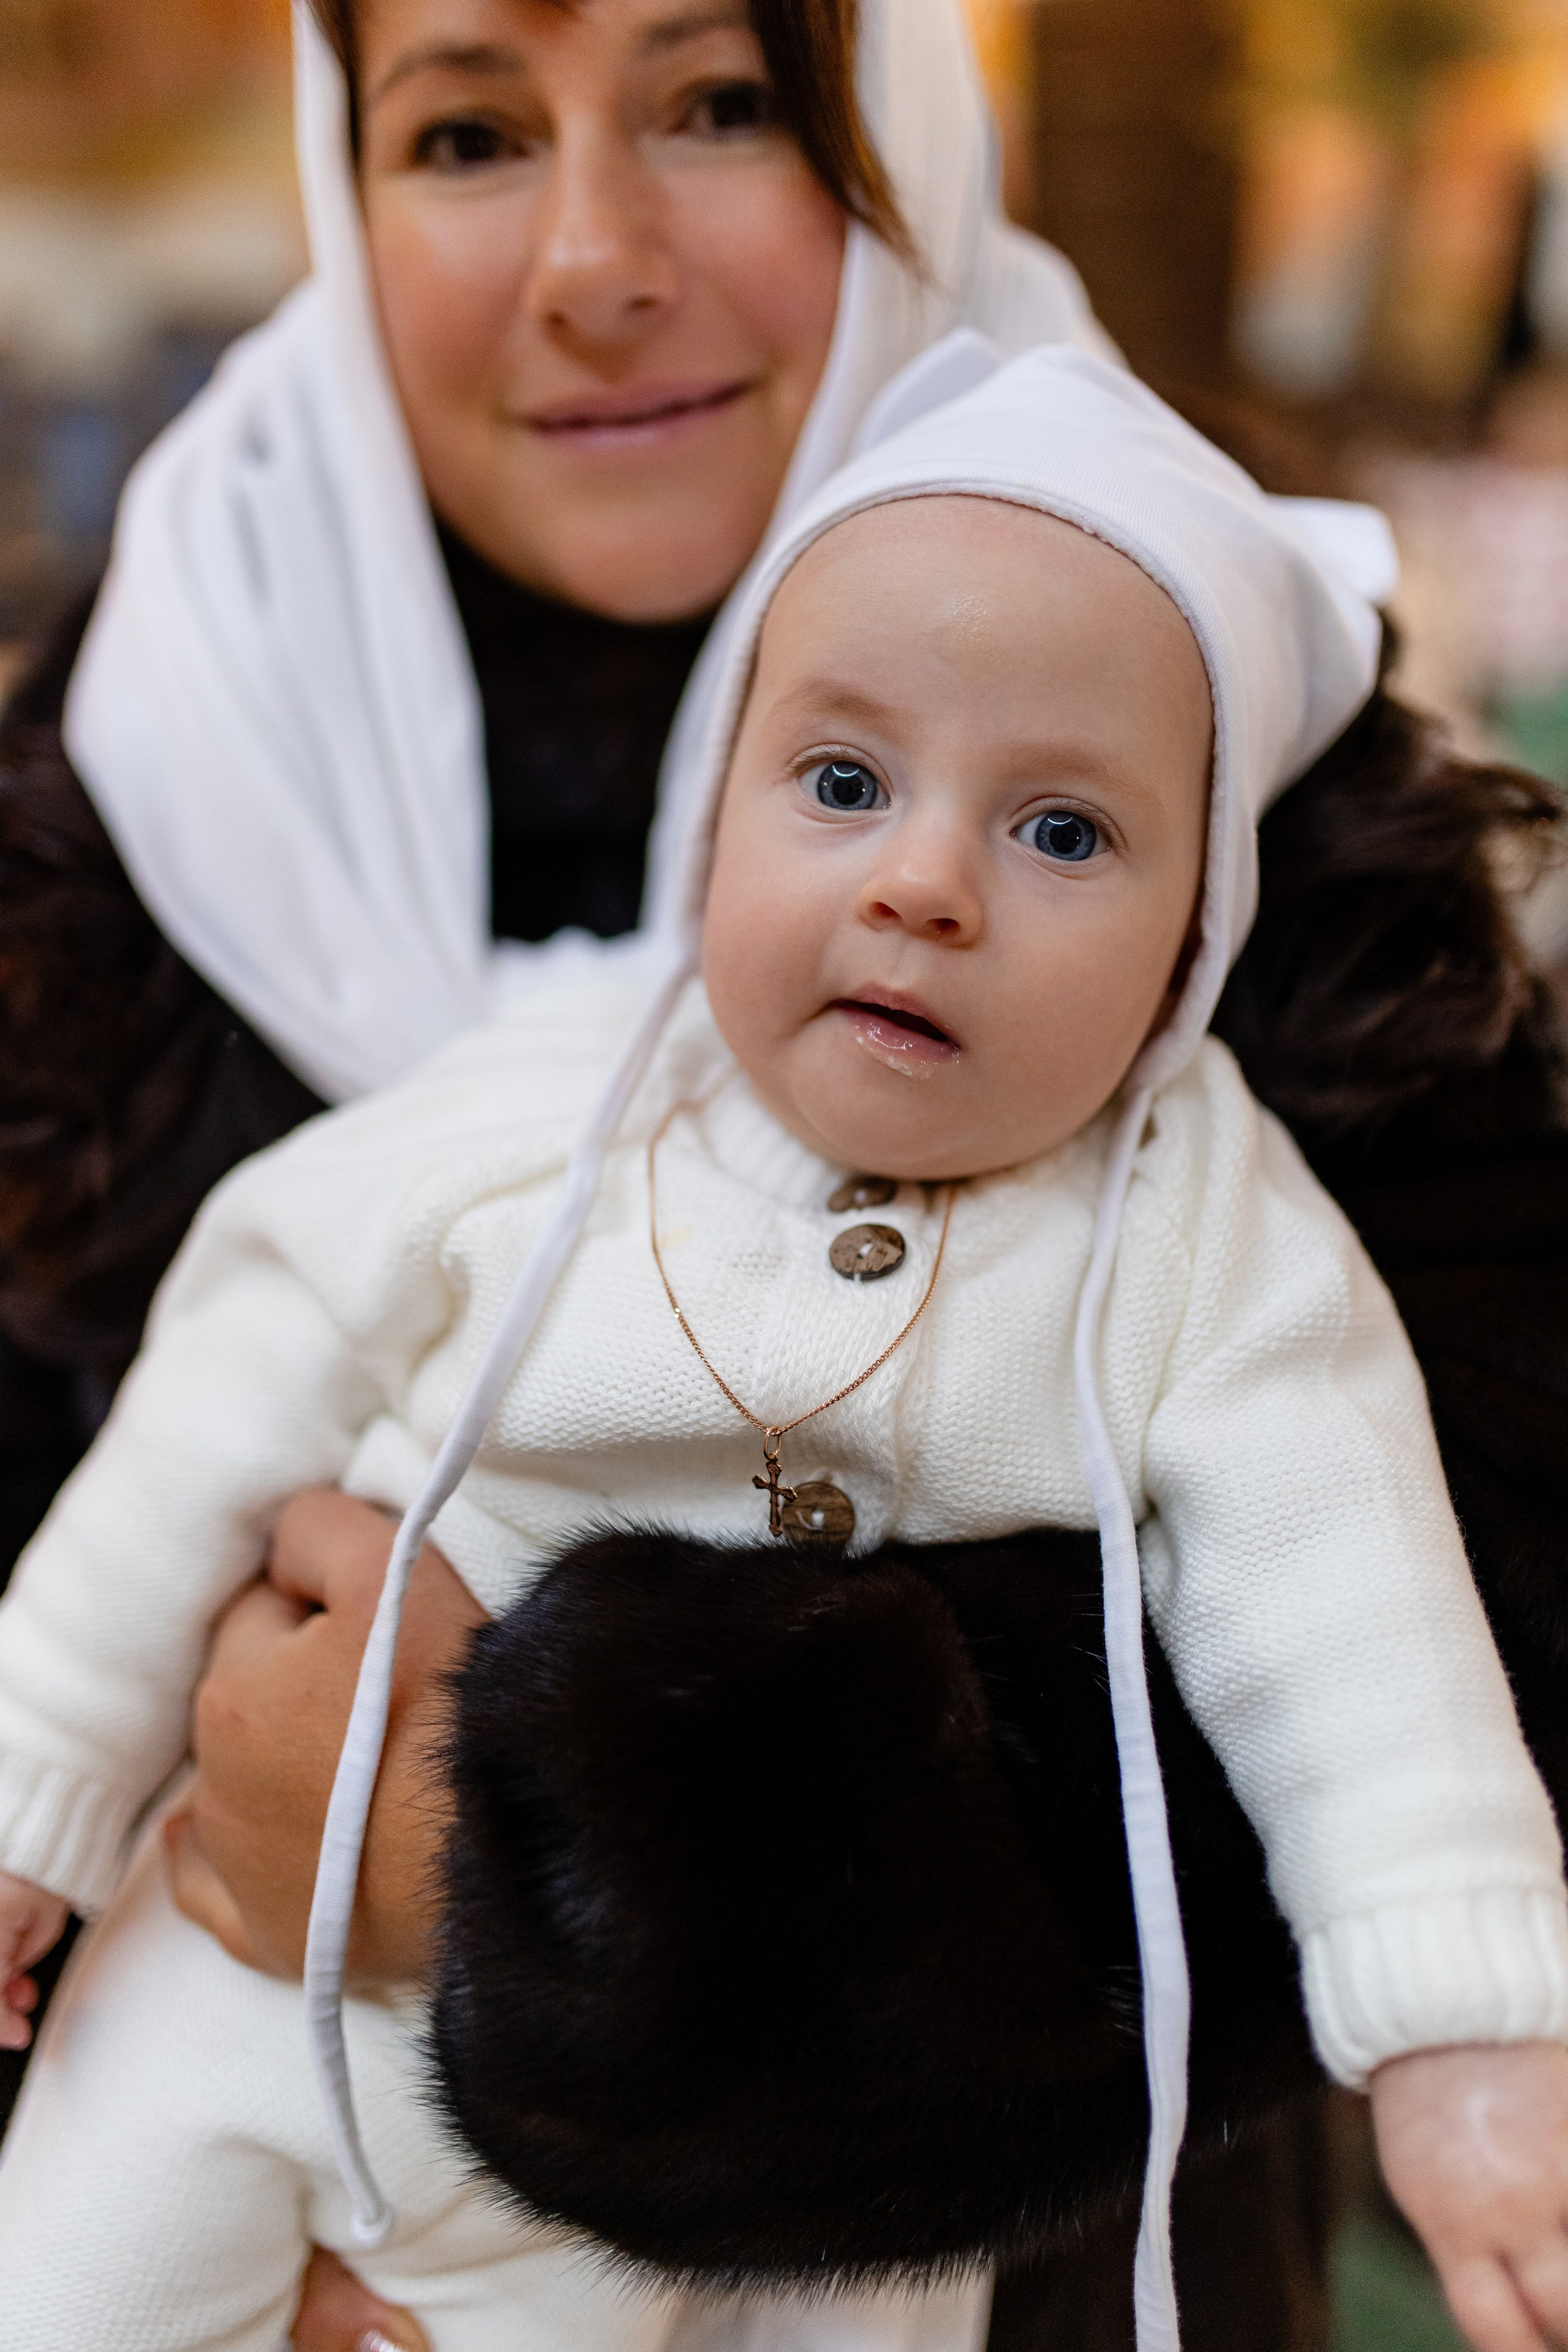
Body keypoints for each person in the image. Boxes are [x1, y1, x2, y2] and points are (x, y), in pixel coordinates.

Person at [0, 3, 1562, 2348]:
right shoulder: (114, 803)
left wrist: (517, 1856)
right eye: (464, 131)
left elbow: (1420, 1664)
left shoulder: (1275, 815)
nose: (592, 260)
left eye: (724, 101)